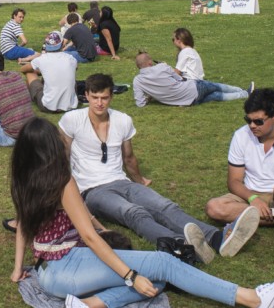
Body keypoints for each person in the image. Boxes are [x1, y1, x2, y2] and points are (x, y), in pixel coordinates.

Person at [10, 118, 274, 308]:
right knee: (164, 263)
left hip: (46, 275)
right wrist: (129, 275)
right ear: (52, 147)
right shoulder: (62, 181)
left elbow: (23, 225)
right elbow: (91, 236)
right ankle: (253, 299)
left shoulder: (23, 179)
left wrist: (16, 269)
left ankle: (84, 305)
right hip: (68, 267)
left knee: (155, 280)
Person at [59, 73, 258, 262]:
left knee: (165, 206)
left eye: (104, 97)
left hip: (121, 181)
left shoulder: (123, 120)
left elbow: (129, 157)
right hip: (92, 190)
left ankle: (217, 238)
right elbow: (62, 158)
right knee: (133, 213)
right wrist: (70, 194)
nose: (99, 103)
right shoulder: (72, 120)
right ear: (86, 95)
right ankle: (180, 246)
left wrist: (140, 183)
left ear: (112, 96)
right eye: (94, 97)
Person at [205, 88, 274, 269]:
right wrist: (253, 199)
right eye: (248, 120)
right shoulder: (241, 136)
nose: (252, 126)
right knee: (214, 207)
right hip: (253, 194)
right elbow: (234, 181)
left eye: (258, 121)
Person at [133, 51, 250, 106]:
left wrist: (151, 97)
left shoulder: (137, 81)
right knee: (216, 86)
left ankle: (244, 94)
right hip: (193, 88)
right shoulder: (162, 67)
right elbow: (179, 78)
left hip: (188, 101)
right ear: (149, 63)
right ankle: (243, 91)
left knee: (216, 96)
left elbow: (140, 103)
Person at [21, 31, 78, 113]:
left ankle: (28, 95)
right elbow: (75, 68)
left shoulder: (41, 60)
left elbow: (23, 69)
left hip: (48, 106)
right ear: (62, 44)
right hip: (71, 105)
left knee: (29, 72)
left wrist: (39, 71)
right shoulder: (71, 58)